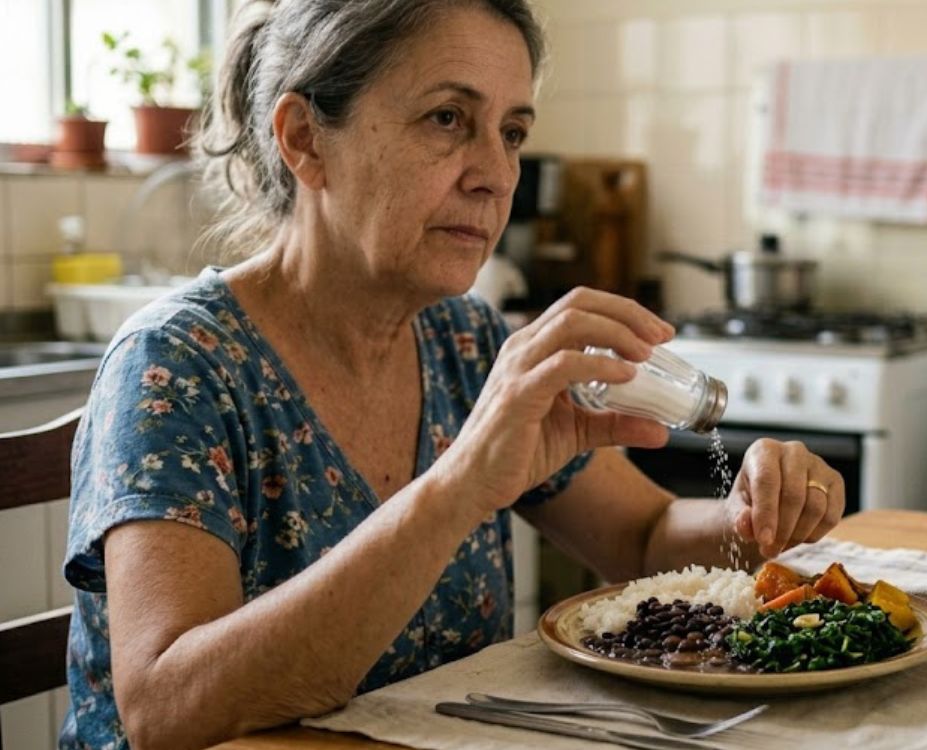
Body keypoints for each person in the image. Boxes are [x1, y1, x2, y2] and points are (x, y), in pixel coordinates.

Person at [58, 1, 846, 748]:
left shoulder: (464, 341)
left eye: (511, 132)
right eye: (447, 119)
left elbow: (641, 537)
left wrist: (754, 513)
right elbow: (166, 713)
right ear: (304, 138)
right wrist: (461, 483)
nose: (496, 175)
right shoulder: (178, 366)